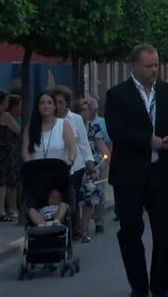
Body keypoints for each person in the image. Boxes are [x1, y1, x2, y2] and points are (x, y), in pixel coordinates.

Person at [106, 44, 168, 297]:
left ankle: (159, 287)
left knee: (165, 232)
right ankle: (138, 286)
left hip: (162, 173)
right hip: (129, 174)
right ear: (134, 66)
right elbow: (117, 131)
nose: (154, 70)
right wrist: (147, 140)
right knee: (130, 229)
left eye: (156, 65)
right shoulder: (118, 95)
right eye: (148, 66)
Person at [49, 86, 98, 242]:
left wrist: (90, 165)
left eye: (60, 102)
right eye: (54, 102)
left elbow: (83, 144)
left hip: (74, 166)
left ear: (67, 103)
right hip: (53, 166)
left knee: (73, 199)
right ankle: (60, 228)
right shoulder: (47, 120)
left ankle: (74, 229)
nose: (57, 106)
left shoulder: (75, 119)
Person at [0, 90, 21, 222]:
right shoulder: (4, 115)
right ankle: (3, 210)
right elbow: (18, 130)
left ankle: (0, 209)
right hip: (6, 152)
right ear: (4, 101)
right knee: (5, 181)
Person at [78, 97, 111, 235]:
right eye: (82, 110)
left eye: (87, 110)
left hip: (95, 164)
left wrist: (108, 158)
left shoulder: (96, 126)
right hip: (78, 164)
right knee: (80, 197)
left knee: (95, 194)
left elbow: (102, 144)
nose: (85, 113)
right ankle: (79, 227)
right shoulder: (73, 126)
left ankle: (97, 222)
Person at [21, 90, 77, 166]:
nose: (46, 106)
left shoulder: (63, 124)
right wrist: (30, 166)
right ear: (38, 107)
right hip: (36, 172)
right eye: (42, 103)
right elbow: (25, 151)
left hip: (59, 172)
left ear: (54, 106)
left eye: (49, 103)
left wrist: (70, 161)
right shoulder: (30, 126)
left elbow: (72, 147)